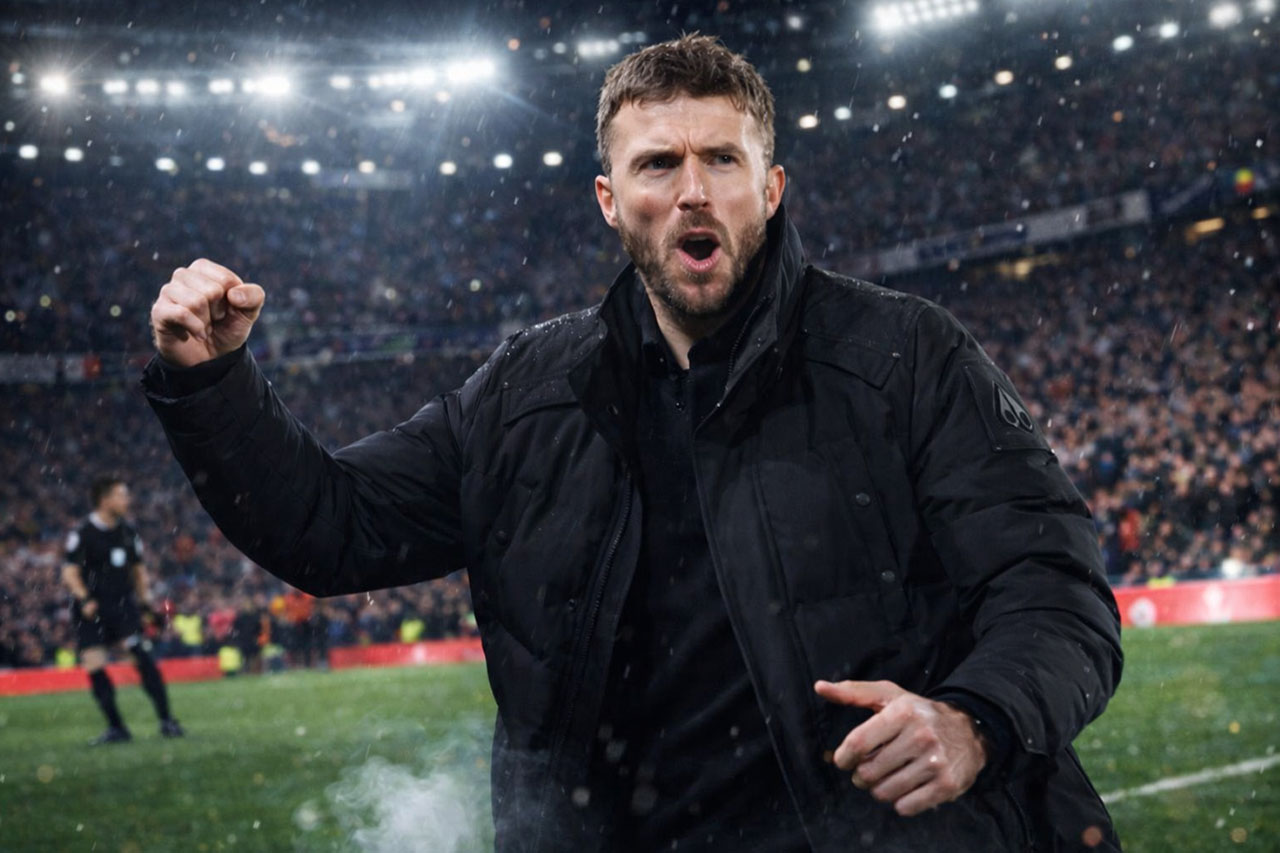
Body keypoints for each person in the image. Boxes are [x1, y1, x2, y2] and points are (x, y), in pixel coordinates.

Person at [143, 34, 1122, 852]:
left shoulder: (902, 356)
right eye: (658, 163)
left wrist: (971, 721)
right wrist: (213, 380)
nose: (692, 191)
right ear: (610, 201)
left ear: (769, 189)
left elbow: (1052, 588)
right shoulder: (527, 397)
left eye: (721, 160)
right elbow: (330, 526)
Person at [62, 477, 185, 744]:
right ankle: (117, 728)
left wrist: (145, 604)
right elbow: (70, 572)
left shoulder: (127, 532)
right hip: (91, 609)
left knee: (143, 658)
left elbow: (139, 572)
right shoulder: (83, 533)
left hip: (121, 605)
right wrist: (84, 599)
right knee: (94, 663)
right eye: (121, 495)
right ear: (104, 500)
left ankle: (167, 721)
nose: (126, 500)